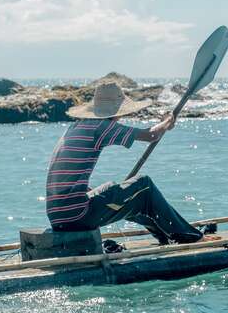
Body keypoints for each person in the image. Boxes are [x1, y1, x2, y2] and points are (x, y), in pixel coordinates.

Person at [45, 82, 214, 245]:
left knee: (114, 188)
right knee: (143, 185)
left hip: (57, 216)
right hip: (76, 215)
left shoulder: (76, 127)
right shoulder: (102, 126)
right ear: (117, 110)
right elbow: (151, 136)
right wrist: (168, 122)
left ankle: (165, 235)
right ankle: (189, 237)